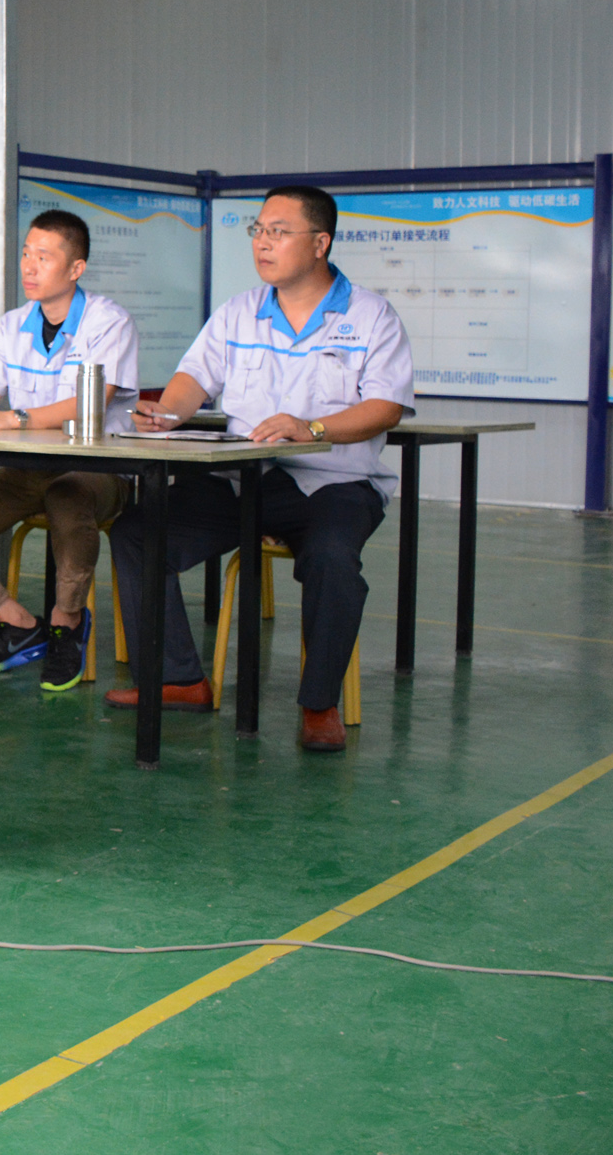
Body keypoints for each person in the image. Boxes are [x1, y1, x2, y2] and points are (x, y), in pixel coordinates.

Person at [110, 185, 413, 753]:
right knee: (137, 533)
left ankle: (319, 704)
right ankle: (179, 679)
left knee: (332, 560)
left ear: (320, 243)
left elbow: (384, 408)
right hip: (241, 478)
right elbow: (194, 377)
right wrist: (168, 414)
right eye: (259, 231)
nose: (263, 243)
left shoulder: (371, 316)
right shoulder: (239, 312)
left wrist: (312, 427)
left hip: (334, 483)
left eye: (279, 231)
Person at [0, 210, 140, 691]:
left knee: (67, 495)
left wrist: (14, 419)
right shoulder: (10, 326)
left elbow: (90, 404)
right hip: (26, 472)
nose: (29, 265)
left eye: (44, 256)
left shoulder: (108, 322)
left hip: (101, 472)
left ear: (76, 268)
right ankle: (16, 620)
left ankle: (67, 622)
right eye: (26, 253)